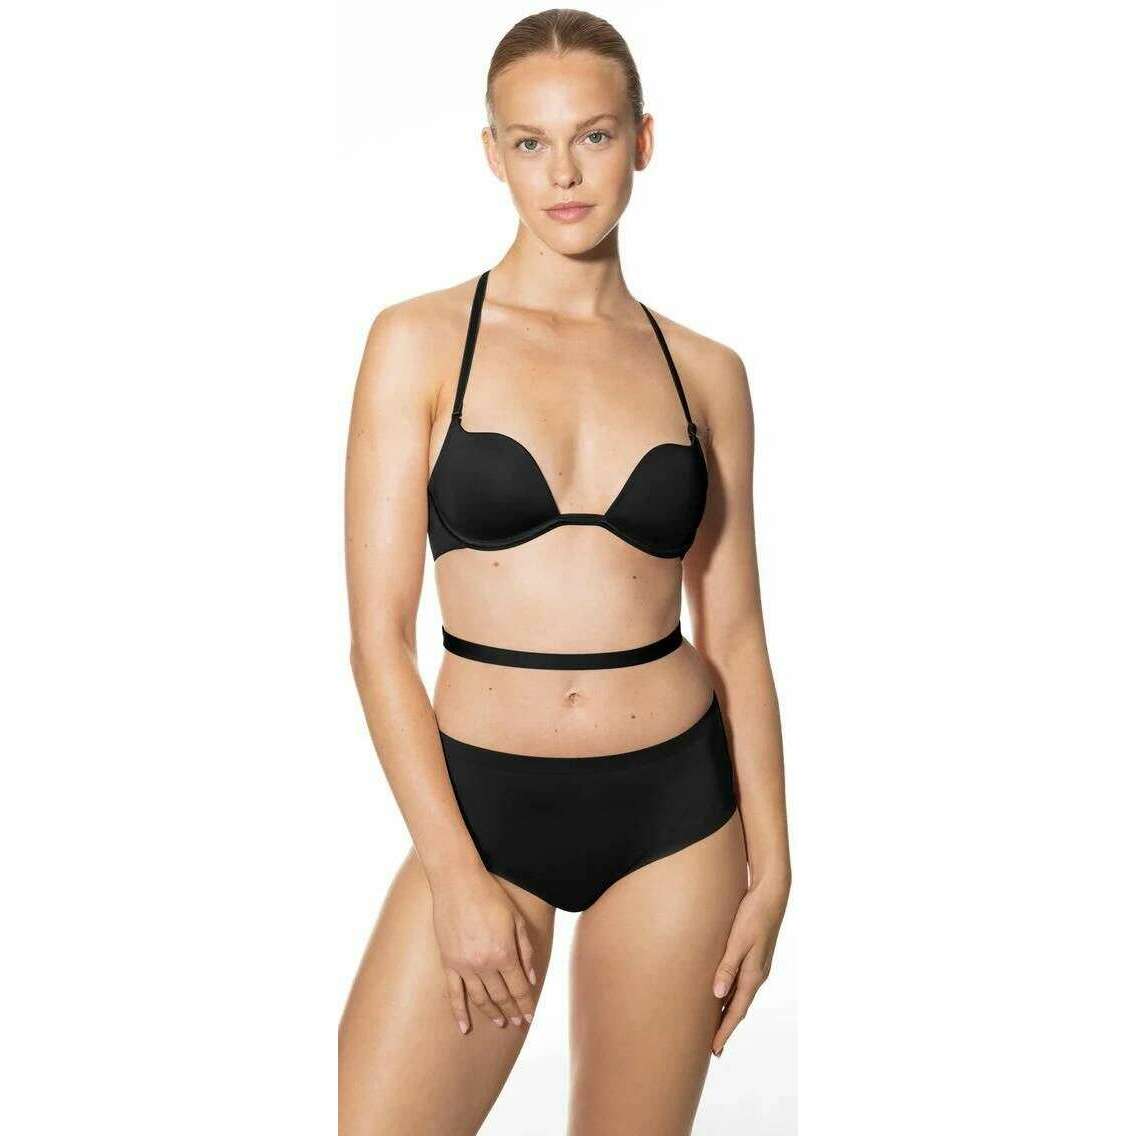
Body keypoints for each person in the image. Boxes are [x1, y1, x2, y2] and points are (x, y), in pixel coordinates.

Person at [338, 9, 790, 1134]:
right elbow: (378, 638)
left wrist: (775, 866)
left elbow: (734, 632)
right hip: (482, 809)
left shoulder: (707, 373)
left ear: (642, 140)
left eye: (592, 135)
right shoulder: (418, 341)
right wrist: (452, 873)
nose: (564, 173)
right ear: (493, 154)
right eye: (530, 142)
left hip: (679, 816)